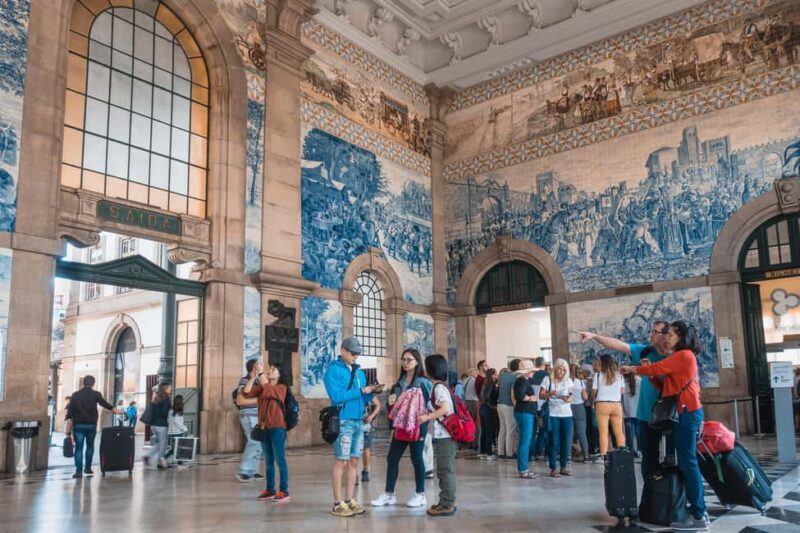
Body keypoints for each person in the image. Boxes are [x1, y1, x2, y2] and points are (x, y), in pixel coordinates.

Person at [621, 321, 708, 531]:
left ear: (681, 336)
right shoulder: (677, 357)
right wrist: (650, 375)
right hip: (682, 412)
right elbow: (665, 385)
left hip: (687, 412)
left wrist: (634, 368)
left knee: (688, 461)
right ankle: (690, 508)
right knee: (685, 460)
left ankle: (699, 514)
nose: (666, 338)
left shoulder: (684, 355)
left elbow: (656, 368)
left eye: (670, 334)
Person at [578, 321, 673, 478]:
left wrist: (636, 369)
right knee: (649, 461)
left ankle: (674, 496)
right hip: (646, 414)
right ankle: (651, 497)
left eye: (655, 332)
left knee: (673, 459)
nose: (651, 334)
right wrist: (594, 336)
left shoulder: (673, 356)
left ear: (666, 336)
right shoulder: (645, 351)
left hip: (669, 413)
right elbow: (618, 345)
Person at [324, 336, 379, 518]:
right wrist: (360, 391)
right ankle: (337, 503)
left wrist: (372, 393)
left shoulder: (360, 373)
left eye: (358, 354)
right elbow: (337, 396)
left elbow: (361, 398)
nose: (356, 357)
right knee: (342, 461)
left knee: (355, 460)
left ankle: (349, 500)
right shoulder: (333, 370)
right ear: (343, 351)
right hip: (343, 420)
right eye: (353, 353)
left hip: (358, 421)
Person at [372, 348, 432, 509]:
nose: (405, 363)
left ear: (417, 362)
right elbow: (394, 408)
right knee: (392, 457)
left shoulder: (423, 383)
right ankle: (389, 494)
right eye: (403, 360)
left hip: (418, 426)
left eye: (409, 360)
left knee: (416, 458)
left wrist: (426, 419)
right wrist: (391, 403)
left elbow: (431, 404)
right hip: (401, 427)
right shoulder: (399, 383)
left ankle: (420, 494)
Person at [243, 362, 290, 502]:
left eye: (273, 369)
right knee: (268, 461)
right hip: (264, 428)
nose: (270, 371)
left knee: (280, 460)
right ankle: (270, 489)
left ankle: (284, 490)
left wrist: (262, 373)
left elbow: (269, 389)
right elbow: (246, 392)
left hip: (277, 428)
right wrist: (253, 377)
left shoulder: (282, 388)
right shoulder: (262, 387)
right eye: (269, 369)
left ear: (279, 374)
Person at [417, 354, 457, 517]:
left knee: (445, 469)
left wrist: (427, 417)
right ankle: (445, 500)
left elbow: (445, 408)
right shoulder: (438, 386)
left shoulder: (439, 388)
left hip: (445, 436)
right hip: (442, 435)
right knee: (443, 469)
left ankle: (447, 502)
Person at [65, 375, 121, 479]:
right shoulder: (96, 394)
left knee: (78, 448)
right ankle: (88, 468)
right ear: (93, 383)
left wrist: (68, 426)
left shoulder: (75, 395)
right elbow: (104, 403)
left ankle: (78, 471)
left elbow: (70, 411)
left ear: (83, 383)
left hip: (78, 425)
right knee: (90, 446)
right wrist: (115, 410)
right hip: (91, 424)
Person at [540, 358, 574, 477]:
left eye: (564, 370)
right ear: (556, 368)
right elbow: (541, 395)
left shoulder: (568, 381)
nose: (562, 372)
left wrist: (566, 398)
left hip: (567, 414)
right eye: (560, 369)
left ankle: (563, 466)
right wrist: (550, 394)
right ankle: (553, 467)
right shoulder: (547, 379)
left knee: (566, 441)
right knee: (553, 441)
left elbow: (571, 397)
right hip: (553, 414)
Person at [592, 354, 626, 462]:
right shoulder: (619, 376)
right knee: (619, 433)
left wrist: (593, 400)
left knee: (603, 433)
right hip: (616, 405)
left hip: (602, 405)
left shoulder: (597, 375)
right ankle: (622, 454)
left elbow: (593, 392)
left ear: (603, 363)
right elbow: (622, 391)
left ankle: (603, 455)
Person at [235, 359, 264, 483]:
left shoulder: (258, 382)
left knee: (258, 442)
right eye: (260, 364)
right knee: (254, 441)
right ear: (254, 367)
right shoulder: (245, 381)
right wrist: (258, 400)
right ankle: (244, 471)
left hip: (257, 415)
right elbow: (240, 401)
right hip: (249, 414)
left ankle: (252, 471)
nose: (262, 366)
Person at [513, 359, 539, 479]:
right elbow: (520, 395)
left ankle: (523, 468)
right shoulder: (522, 380)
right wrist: (531, 398)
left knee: (524, 441)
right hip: (525, 412)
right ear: (527, 371)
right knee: (525, 441)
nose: (533, 373)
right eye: (531, 371)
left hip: (523, 412)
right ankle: (524, 469)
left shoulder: (522, 380)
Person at [144, 382, 172, 470]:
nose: (170, 389)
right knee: (163, 443)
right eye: (169, 388)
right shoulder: (166, 399)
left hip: (153, 425)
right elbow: (163, 413)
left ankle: (148, 455)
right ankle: (161, 460)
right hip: (161, 425)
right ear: (165, 389)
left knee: (158, 442)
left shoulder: (155, 398)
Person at [497, 360, 519, 460]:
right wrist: (516, 405)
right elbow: (512, 393)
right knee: (510, 430)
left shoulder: (502, 376)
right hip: (508, 405)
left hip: (500, 405)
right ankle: (509, 453)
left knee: (502, 429)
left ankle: (500, 451)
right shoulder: (514, 377)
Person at [569, 362, 590, 463]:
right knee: (582, 433)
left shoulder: (566, 381)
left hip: (568, 408)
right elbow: (585, 397)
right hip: (579, 408)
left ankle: (568, 457)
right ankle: (586, 456)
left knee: (569, 434)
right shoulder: (580, 382)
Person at [530, 357, 549, 460]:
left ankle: (532, 454)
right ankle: (540, 452)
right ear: (544, 364)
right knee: (543, 430)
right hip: (542, 406)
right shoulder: (546, 375)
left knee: (532, 431)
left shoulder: (531, 374)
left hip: (532, 405)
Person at [478, 368, 499, 460]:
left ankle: (483, 451)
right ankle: (489, 453)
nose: (497, 375)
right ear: (492, 375)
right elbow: (488, 398)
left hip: (482, 408)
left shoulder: (484, 384)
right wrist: (494, 406)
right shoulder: (492, 385)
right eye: (496, 374)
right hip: (488, 409)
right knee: (489, 431)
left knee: (484, 431)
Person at [361, 395, 380, 483]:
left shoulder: (367, 391)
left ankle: (365, 471)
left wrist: (371, 417)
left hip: (365, 424)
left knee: (366, 448)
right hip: (356, 422)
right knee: (360, 449)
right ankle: (359, 473)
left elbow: (378, 405)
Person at [165, 394, 188, 465]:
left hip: (171, 432)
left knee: (175, 447)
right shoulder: (178, 411)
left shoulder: (171, 410)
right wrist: (185, 429)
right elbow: (178, 422)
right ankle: (164, 458)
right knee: (177, 447)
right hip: (178, 432)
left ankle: (178, 461)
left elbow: (168, 420)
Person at [622, 372, 641, 456]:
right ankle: (640, 450)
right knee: (639, 433)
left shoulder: (623, 382)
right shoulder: (639, 380)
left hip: (627, 411)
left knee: (629, 433)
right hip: (638, 411)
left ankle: (631, 451)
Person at [463, 368, 479, 450]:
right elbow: (477, 392)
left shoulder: (465, 380)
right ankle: (475, 443)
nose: (477, 373)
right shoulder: (473, 381)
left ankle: (469, 442)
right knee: (476, 424)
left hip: (466, 402)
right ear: (472, 372)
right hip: (474, 402)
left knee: (469, 423)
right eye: (476, 372)